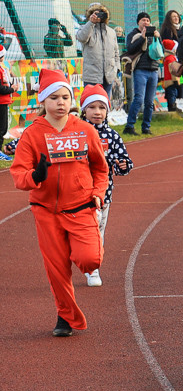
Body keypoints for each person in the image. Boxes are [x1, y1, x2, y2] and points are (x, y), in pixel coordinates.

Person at [10, 69, 108, 336]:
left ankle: (79, 252)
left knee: (89, 259)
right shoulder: (32, 134)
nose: (60, 103)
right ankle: (65, 317)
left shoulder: (85, 130)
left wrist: (98, 193)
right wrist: (35, 176)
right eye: (53, 98)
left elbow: (101, 169)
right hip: (46, 212)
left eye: (65, 97)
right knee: (57, 269)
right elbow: (18, 174)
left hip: (81, 208)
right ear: (42, 101)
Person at [76, 84, 133, 287]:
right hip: (76, 193)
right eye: (92, 107)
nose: (97, 112)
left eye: (102, 107)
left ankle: (93, 268)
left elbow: (124, 161)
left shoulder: (112, 136)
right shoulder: (74, 132)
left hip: (103, 194)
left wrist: (123, 165)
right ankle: (79, 256)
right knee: (79, 232)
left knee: (98, 230)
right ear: (84, 110)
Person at [123, 12, 161, 135]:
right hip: (140, 70)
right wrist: (142, 37)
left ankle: (146, 127)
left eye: (148, 20)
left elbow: (161, 51)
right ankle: (129, 126)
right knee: (138, 99)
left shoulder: (154, 34)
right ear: (138, 22)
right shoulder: (133, 34)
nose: (146, 22)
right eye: (143, 20)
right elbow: (130, 49)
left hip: (153, 70)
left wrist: (158, 38)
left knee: (149, 101)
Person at [76, 3, 120, 95]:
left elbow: (116, 53)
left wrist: (116, 68)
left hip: (108, 76)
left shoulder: (111, 32)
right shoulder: (85, 28)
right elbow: (81, 38)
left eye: (102, 13)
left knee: (105, 102)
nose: (99, 16)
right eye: (96, 13)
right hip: (92, 76)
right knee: (91, 100)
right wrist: (91, 22)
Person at [159, 10, 182, 112]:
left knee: (178, 82)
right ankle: (171, 104)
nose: (176, 18)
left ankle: (176, 102)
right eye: (173, 16)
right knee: (171, 82)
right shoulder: (167, 30)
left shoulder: (180, 29)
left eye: (177, 16)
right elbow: (166, 44)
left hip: (177, 58)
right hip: (171, 58)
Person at [0, 43, 14, 161]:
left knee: (2, 128)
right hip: (1, 102)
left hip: (3, 102)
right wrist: (12, 89)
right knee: (1, 128)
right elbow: (1, 88)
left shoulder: (2, 68)